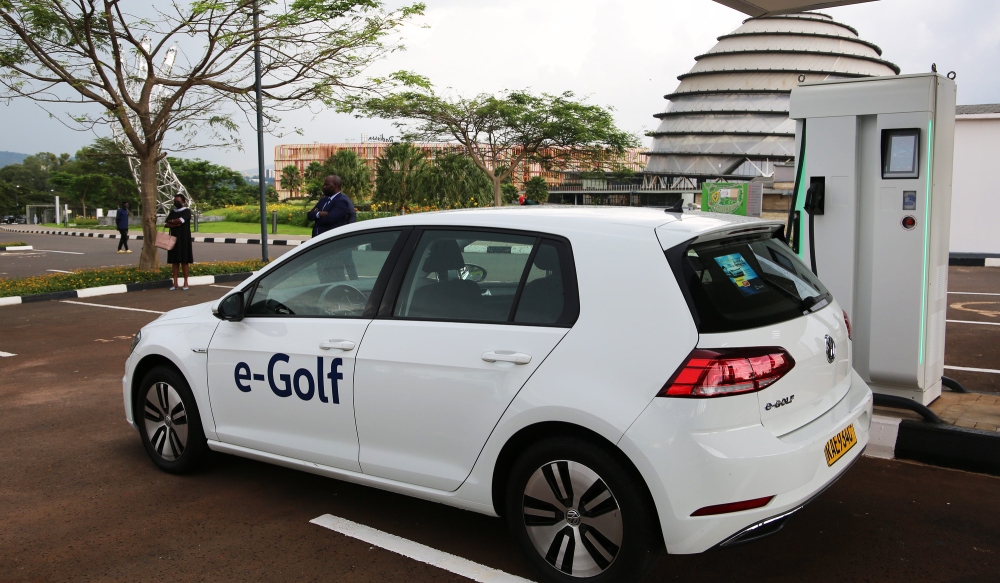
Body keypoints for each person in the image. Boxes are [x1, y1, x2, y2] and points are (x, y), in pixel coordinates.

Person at [164, 194, 193, 290]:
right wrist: (175, 223)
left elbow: (181, 220)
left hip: (184, 239)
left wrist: (172, 222)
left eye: (178, 201)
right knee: (174, 261)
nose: (176, 203)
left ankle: (186, 282)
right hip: (173, 238)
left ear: (183, 202)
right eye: (175, 201)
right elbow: (166, 224)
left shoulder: (187, 211)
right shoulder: (173, 211)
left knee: (184, 261)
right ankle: (175, 283)